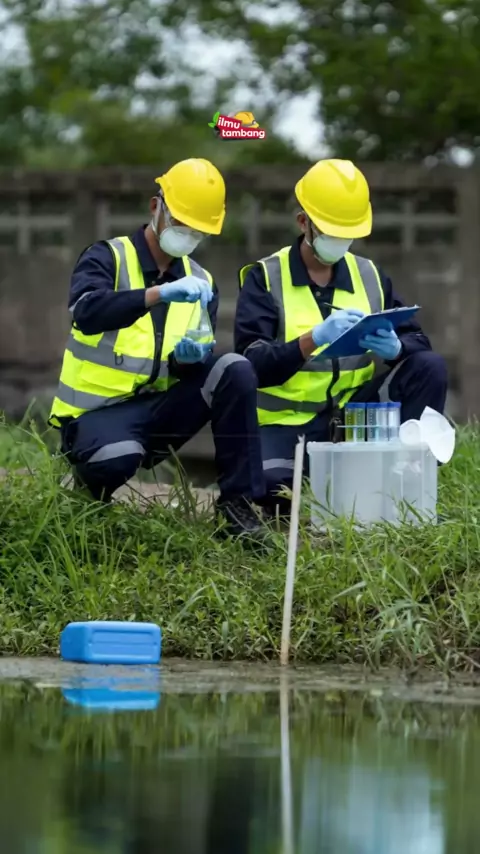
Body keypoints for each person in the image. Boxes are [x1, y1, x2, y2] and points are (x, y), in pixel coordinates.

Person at [49, 158, 266, 539]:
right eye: (181, 222)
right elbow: (87, 312)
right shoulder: (108, 257)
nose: (188, 234)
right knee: (117, 458)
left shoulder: (201, 281)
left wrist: (188, 360)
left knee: (234, 368)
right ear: (156, 207)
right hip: (95, 416)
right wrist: (156, 294)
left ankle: (238, 508)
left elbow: (188, 363)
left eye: (198, 229)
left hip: (158, 411)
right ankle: (86, 484)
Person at [234, 158, 448, 513]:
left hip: (354, 417)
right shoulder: (265, 278)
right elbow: (252, 365)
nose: (339, 241)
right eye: (330, 230)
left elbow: (419, 342)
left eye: (347, 232)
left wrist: (397, 348)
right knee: (275, 491)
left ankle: (406, 477)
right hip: (286, 424)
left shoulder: (369, 275)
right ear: (303, 222)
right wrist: (311, 340)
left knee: (429, 366)